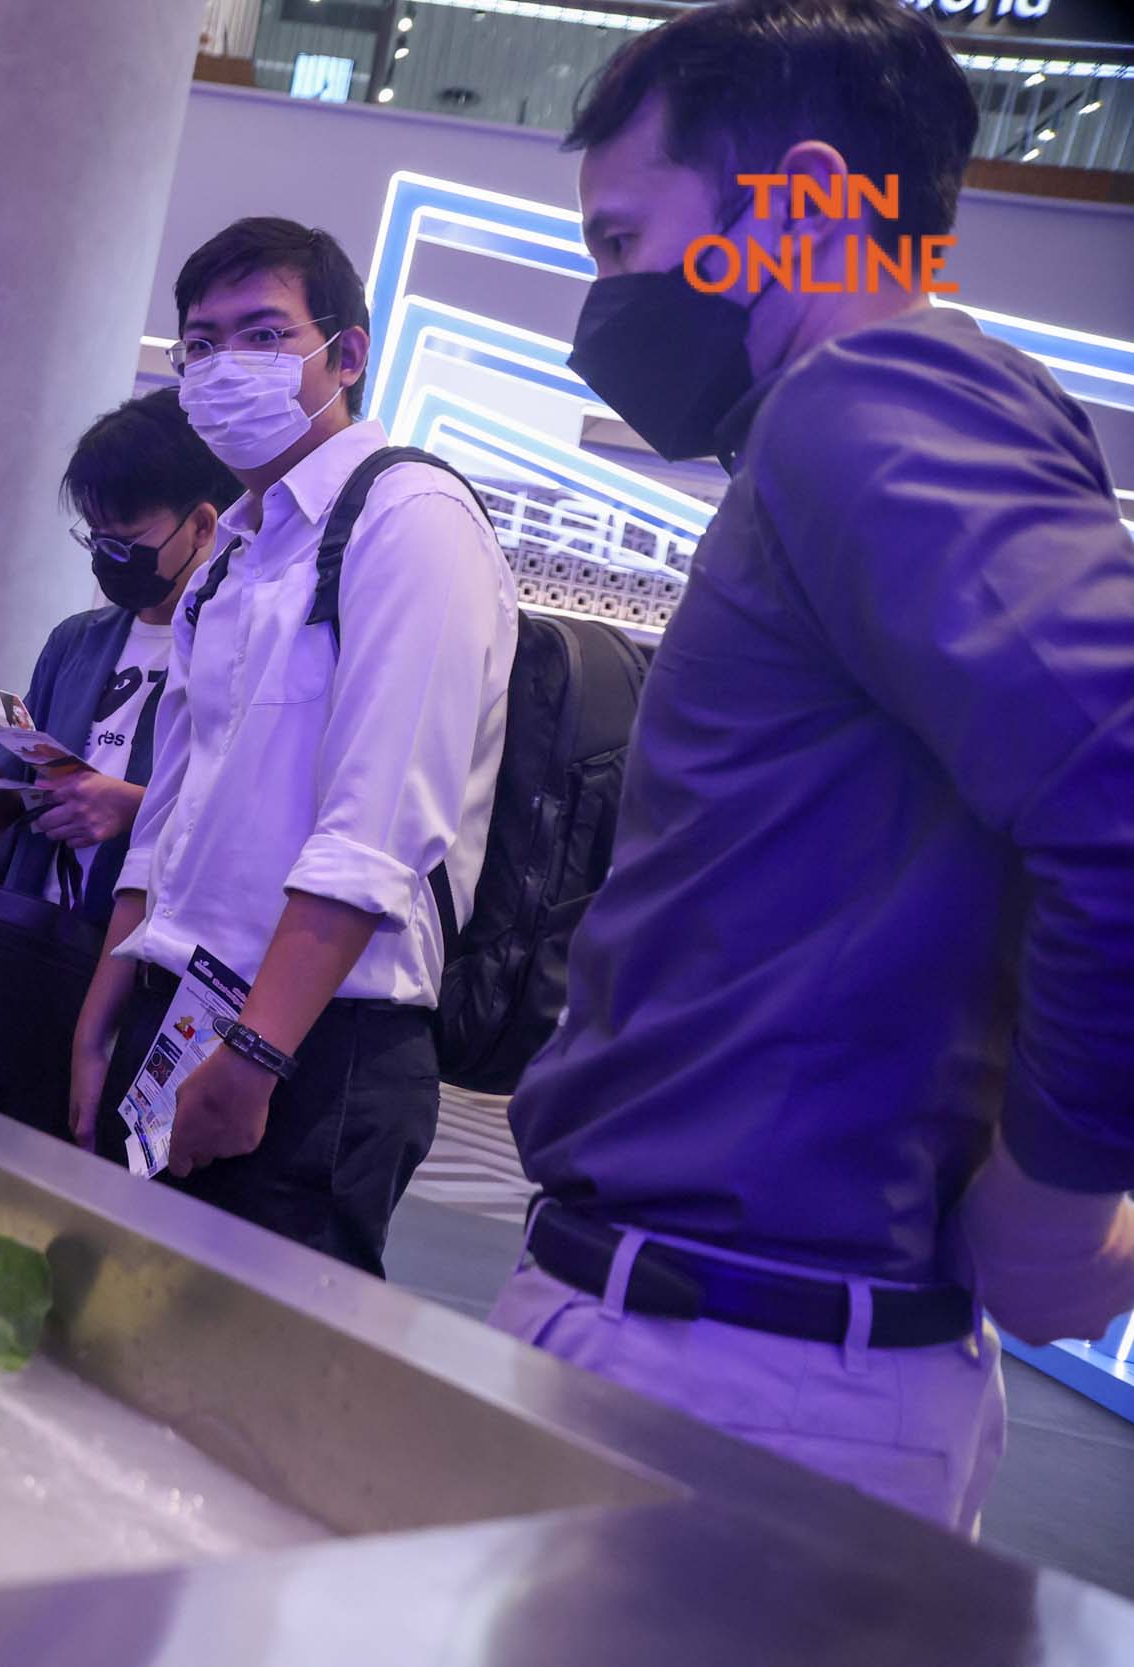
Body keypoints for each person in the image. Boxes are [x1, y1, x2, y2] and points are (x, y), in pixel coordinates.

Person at [492, 0, 1134, 1531]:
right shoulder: (834, 431)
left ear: (794, 199)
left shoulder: (874, 402)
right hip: (722, 1341)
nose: (609, 296)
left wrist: (1058, 1189)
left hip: (743, 1363)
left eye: (621, 240)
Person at [67, 218, 518, 1277]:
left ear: (345, 355)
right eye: (201, 344)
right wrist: (102, 1008)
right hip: (174, 1009)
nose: (226, 368)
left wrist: (258, 1053)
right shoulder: (230, 557)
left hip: (315, 1043)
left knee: (249, 1386)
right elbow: (166, 817)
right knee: (125, 1338)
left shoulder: (406, 517)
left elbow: (376, 832)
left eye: (263, 334)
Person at [0, 387, 243, 927]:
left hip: (142, 951)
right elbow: (9, 834)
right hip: (31, 938)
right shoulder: (76, 644)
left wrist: (130, 807)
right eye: (96, 543)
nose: (108, 561)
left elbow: (244, 835)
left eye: (125, 544)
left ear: (202, 524)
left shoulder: (241, 652)